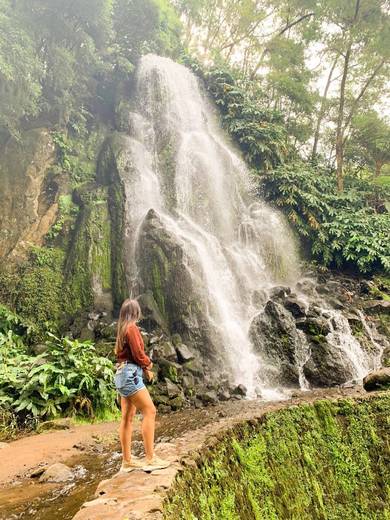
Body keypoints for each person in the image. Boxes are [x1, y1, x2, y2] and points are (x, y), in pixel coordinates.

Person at [114, 298, 171, 473]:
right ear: (136, 312)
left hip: (122, 374)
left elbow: (126, 355)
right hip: (130, 375)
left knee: (127, 417)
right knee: (150, 411)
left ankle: (127, 461)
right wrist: (148, 364)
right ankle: (150, 458)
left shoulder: (122, 329)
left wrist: (143, 367)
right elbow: (138, 354)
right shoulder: (132, 328)